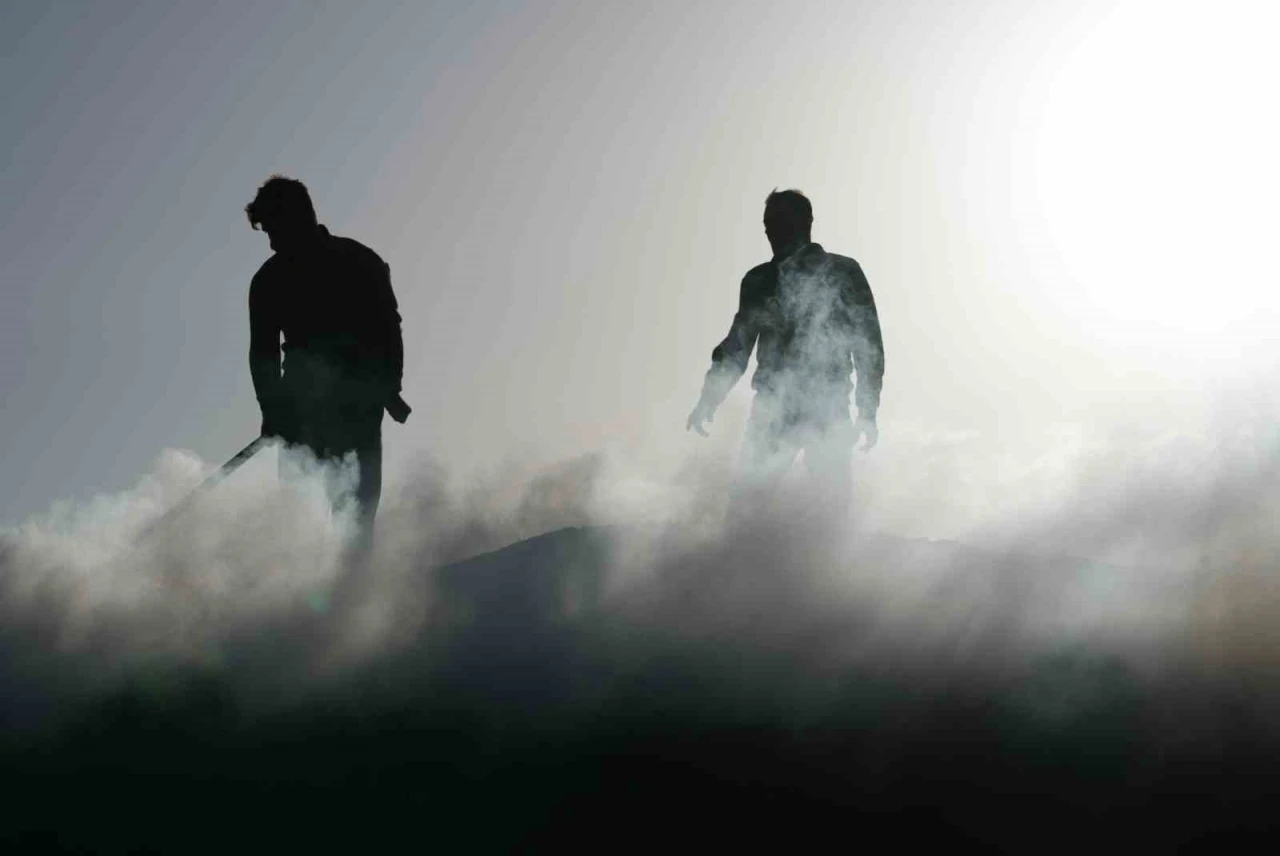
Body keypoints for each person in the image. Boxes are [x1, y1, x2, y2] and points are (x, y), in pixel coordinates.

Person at [686, 189, 883, 518]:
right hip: (772, 408)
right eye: (767, 223)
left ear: (804, 223)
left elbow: (868, 344)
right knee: (746, 508)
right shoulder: (759, 280)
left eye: (778, 222)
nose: (770, 231)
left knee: (831, 511)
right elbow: (737, 345)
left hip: (827, 407)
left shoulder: (843, 272)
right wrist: (710, 398)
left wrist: (867, 409)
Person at [245, 175, 408, 535]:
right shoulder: (268, 281)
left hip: (358, 410)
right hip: (302, 416)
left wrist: (388, 384)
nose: (271, 243)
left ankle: (353, 572)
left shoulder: (361, 262)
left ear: (296, 218)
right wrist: (273, 411)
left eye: (273, 230)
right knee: (300, 525)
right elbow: (263, 355)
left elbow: (388, 330)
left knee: (355, 520)